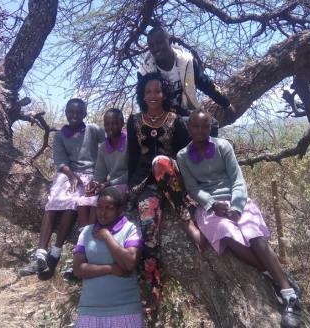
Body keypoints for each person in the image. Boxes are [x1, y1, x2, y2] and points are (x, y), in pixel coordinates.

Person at [176, 110, 303, 328]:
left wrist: (236, 206)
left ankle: (289, 297)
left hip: (237, 200)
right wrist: (212, 204)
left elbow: (237, 179)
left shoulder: (223, 146)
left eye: (204, 126)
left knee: (254, 236)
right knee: (229, 236)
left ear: (210, 128)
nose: (200, 130)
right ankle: (275, 274)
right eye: (195, 126)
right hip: (209, 207)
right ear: (189, 128)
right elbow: (193, 188)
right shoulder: (182, 156)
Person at [127, 72, 200, 314]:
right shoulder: (135, 120)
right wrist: (130, 189)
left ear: (164, 93)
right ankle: (155, 287)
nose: (153, 95)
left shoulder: (177, 120)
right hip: (146, 183)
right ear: (142, 95)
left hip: (172, 177)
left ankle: (185, 217)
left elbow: (186, 156)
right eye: (148, 91)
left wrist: (190, 188)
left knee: (160, 161)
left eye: (157, 91)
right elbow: (132, 156)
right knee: (148, 228)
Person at [20, 98, 104, 279]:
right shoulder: (60, 135)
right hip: (69, 174)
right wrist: (72, 176)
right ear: (66, 112)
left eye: (79, 113)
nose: (74, 116)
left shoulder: (93, 129)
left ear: (84, 114)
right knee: (54, 202)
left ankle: (56, 252)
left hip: (90, 174)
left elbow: (110, 140)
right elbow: (60, 161)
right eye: (71, 112)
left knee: (73, 202)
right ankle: (41, 254)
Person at [138, 26, 235, 136]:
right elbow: (142, 101)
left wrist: (226, 103)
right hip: (160, 115)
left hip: (184, 110)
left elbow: (205, 84)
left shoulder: (187, 62)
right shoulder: (145, 71)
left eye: (159, 43)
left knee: (211, 125)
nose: (155, 48)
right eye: (151, 45)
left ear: (169, 41)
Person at [73, 187, 144, 328]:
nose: (102, 213)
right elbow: (78, 269)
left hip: (125, 310)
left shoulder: (131, 229)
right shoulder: (87, 232)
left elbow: (129, 263)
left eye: (109, 208)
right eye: (99, 207)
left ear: (119, 209)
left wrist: (106, 236)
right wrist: (110, 269)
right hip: (90, 311)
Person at [80, 108, 129, 224]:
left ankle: (92, 233)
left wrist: (107, 184)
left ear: (122, 123)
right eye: (107, 124)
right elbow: (99, 174)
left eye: (114, 123)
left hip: (127, 183)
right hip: (110, 185)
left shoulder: (130, 141)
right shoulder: (103, 147)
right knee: (83, 201)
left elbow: (133, 172)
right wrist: (94, 183)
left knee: (100, 200)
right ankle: (85, 234)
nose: (110, 127)